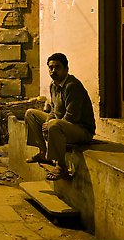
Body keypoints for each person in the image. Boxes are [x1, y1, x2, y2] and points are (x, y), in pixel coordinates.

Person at [24, 53, 96, 181]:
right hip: (63, 124)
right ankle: (43, 152)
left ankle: (61, 166)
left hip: (81, 129)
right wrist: (46, 123)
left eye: (57, 67)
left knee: (54, 125)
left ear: (66, 69)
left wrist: (51, 125)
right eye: (51, 68)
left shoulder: (72, 86)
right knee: (30, 114)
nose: (53, 71)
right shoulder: (54, 85)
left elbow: (72, 116)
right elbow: (54, 110)